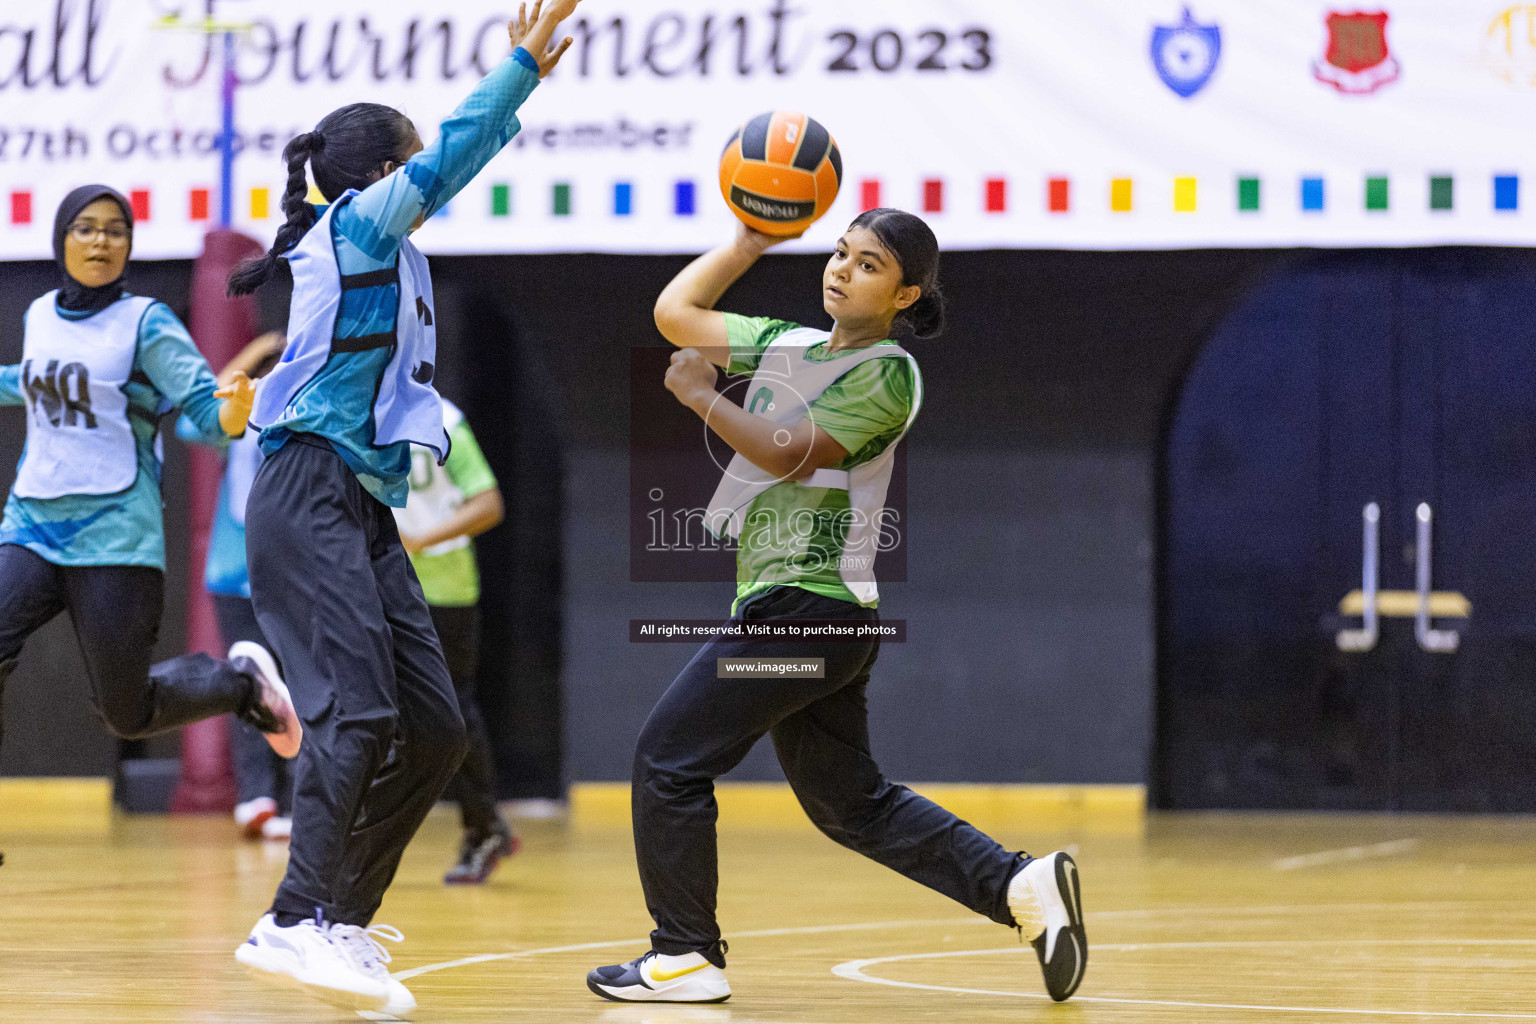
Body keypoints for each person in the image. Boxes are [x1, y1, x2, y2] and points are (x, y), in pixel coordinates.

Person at [585, 211, 1088, 1004]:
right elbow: (675, 314)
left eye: (869, 264)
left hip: (809, 619)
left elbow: (789, 454)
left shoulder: (887, 371)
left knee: (668, 758)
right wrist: (748, 245)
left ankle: (684, 954)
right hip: (804, 618)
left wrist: (701, 400)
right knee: (850, 804)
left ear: (905, 294)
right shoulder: (789, 346)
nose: (843, 270)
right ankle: (1022, 888)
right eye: (839, 253)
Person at [224, 2, 580, 1015]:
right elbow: (455, 155)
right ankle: (295, 919)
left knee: (431, 727)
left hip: (360, 502)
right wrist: (520, 71)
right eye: (411, 160)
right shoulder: (357, 225)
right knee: (363, 711)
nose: (427, 176)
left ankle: (336, 918)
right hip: (305, 491)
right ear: (380, 172)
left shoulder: (396, 254)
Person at [0, 185, 301, 777]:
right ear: (61, 238)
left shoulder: (147, 323)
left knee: (127, 713)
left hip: (115, 536)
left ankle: (238, 685)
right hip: (32, 524)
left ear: (129, 245)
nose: (100, 240)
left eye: (115, 230)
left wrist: (233, 413)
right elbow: (37, 382)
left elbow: (206, 414)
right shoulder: (39, 314)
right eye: (85, 227)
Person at [393, 398, 518, 884]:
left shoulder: (442, 421)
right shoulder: (362, 406)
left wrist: (423, 539)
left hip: (443, 587)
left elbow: (488, 504)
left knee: (452, 708)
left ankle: (484, 824)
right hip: (383, 582)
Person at [176, 332, 295, 841]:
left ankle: (296, 799)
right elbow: (189, 422)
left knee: (297, 682)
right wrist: (254, 350)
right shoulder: (238, 424)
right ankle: (257, 797)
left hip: (291, 577)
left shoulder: (302, 426)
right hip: (232, 573)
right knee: (248, 682)